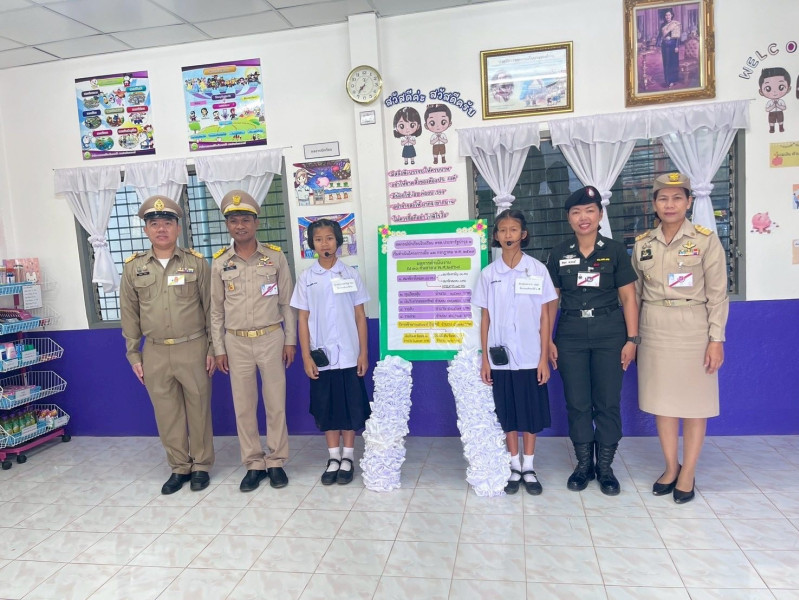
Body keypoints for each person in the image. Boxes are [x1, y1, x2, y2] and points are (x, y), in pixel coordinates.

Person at [632, 173, 729, 504]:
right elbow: (636, 294)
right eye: (663, 198)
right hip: (654, 326)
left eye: (676, 198)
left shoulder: (705, 240)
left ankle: (689, 472)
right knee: (663, 403)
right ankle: (671, 466)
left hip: (693, 328)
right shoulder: (643, 244)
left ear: (688, 201)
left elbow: (718, 294)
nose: (669, 204)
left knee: (694, 404)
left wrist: (716, 339)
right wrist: (634, 336)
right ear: (654, 204)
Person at [546, 186, 639, 496]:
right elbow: (552, 301)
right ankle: (584, 465)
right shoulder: (559, 253)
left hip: (609, 332)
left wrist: (632, 339)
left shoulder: (614, 250)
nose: (583, 217)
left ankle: (606, 468)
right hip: (570, 334)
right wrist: (548, 340)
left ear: (600, 214)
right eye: (576, 212)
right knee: (577, 402)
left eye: (589, 211)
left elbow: (629, 298)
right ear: (569, 218)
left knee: (608, 402)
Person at [120, 196, 215, 495]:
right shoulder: (134, 268)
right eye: (154, 224)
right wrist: (134, 354)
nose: (161, 229)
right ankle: (179, 467)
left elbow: (211, 308)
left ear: (178, 228)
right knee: (166, 412)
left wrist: (213, 348)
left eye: (167, 223)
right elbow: (129, 314)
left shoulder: (196, 263)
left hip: (193, 347)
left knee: (199, 409)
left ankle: (201, 465)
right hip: (155, 351)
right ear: (146, 230)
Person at [210, 190, 297, 492]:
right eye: (234, 221)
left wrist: (290, 341)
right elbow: (216, 311)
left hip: (271, 338)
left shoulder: (275, 257)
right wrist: (219, 348)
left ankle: (276, 461)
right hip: (236, 343)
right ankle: (253, 463)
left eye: (245, 220)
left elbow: (287, 303)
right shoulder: (220, 263)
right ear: (228, 225)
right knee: (244, 407)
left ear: (256, 223)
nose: (240, 226)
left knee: (275, 404)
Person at [472, 209, 558, 495]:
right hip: (500, 358)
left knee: (530, 414)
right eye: (502, 230)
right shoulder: (489, 274)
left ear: (523, 234)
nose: (508, 235)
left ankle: (529, 467)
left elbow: (545, 316)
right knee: (508, 414)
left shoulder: (537, 269)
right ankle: (513, 466)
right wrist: (485, 359)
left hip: (531, 356)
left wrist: (543, 358)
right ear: (496, 236)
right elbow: (485, 318)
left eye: (513, 229)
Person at [289, 219, 371, 485]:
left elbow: (360, 316)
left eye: (329, 238)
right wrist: (306, 356)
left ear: (338, 241)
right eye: (318, 239)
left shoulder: (350, 275)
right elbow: (303, 319)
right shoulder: (307, 278)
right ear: (312, 244)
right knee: (327, 408)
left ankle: (348, 456)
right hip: (321, 357)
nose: (324, 244)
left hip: (349, 355)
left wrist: (363, 353)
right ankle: (333, 457)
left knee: (350, 408)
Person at [659, 8, 681, 88]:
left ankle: (673, 80)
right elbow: (660, 35)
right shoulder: (662, 25)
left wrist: (677, 46)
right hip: (665, 47)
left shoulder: (675, 24)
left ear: (671, 15)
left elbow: (678, 37)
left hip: (673, 46)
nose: (667, 16)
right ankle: (668, 81)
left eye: (669, 15)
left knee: (673, 63)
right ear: (664, 16)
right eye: (666, 15)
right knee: (666, 63)